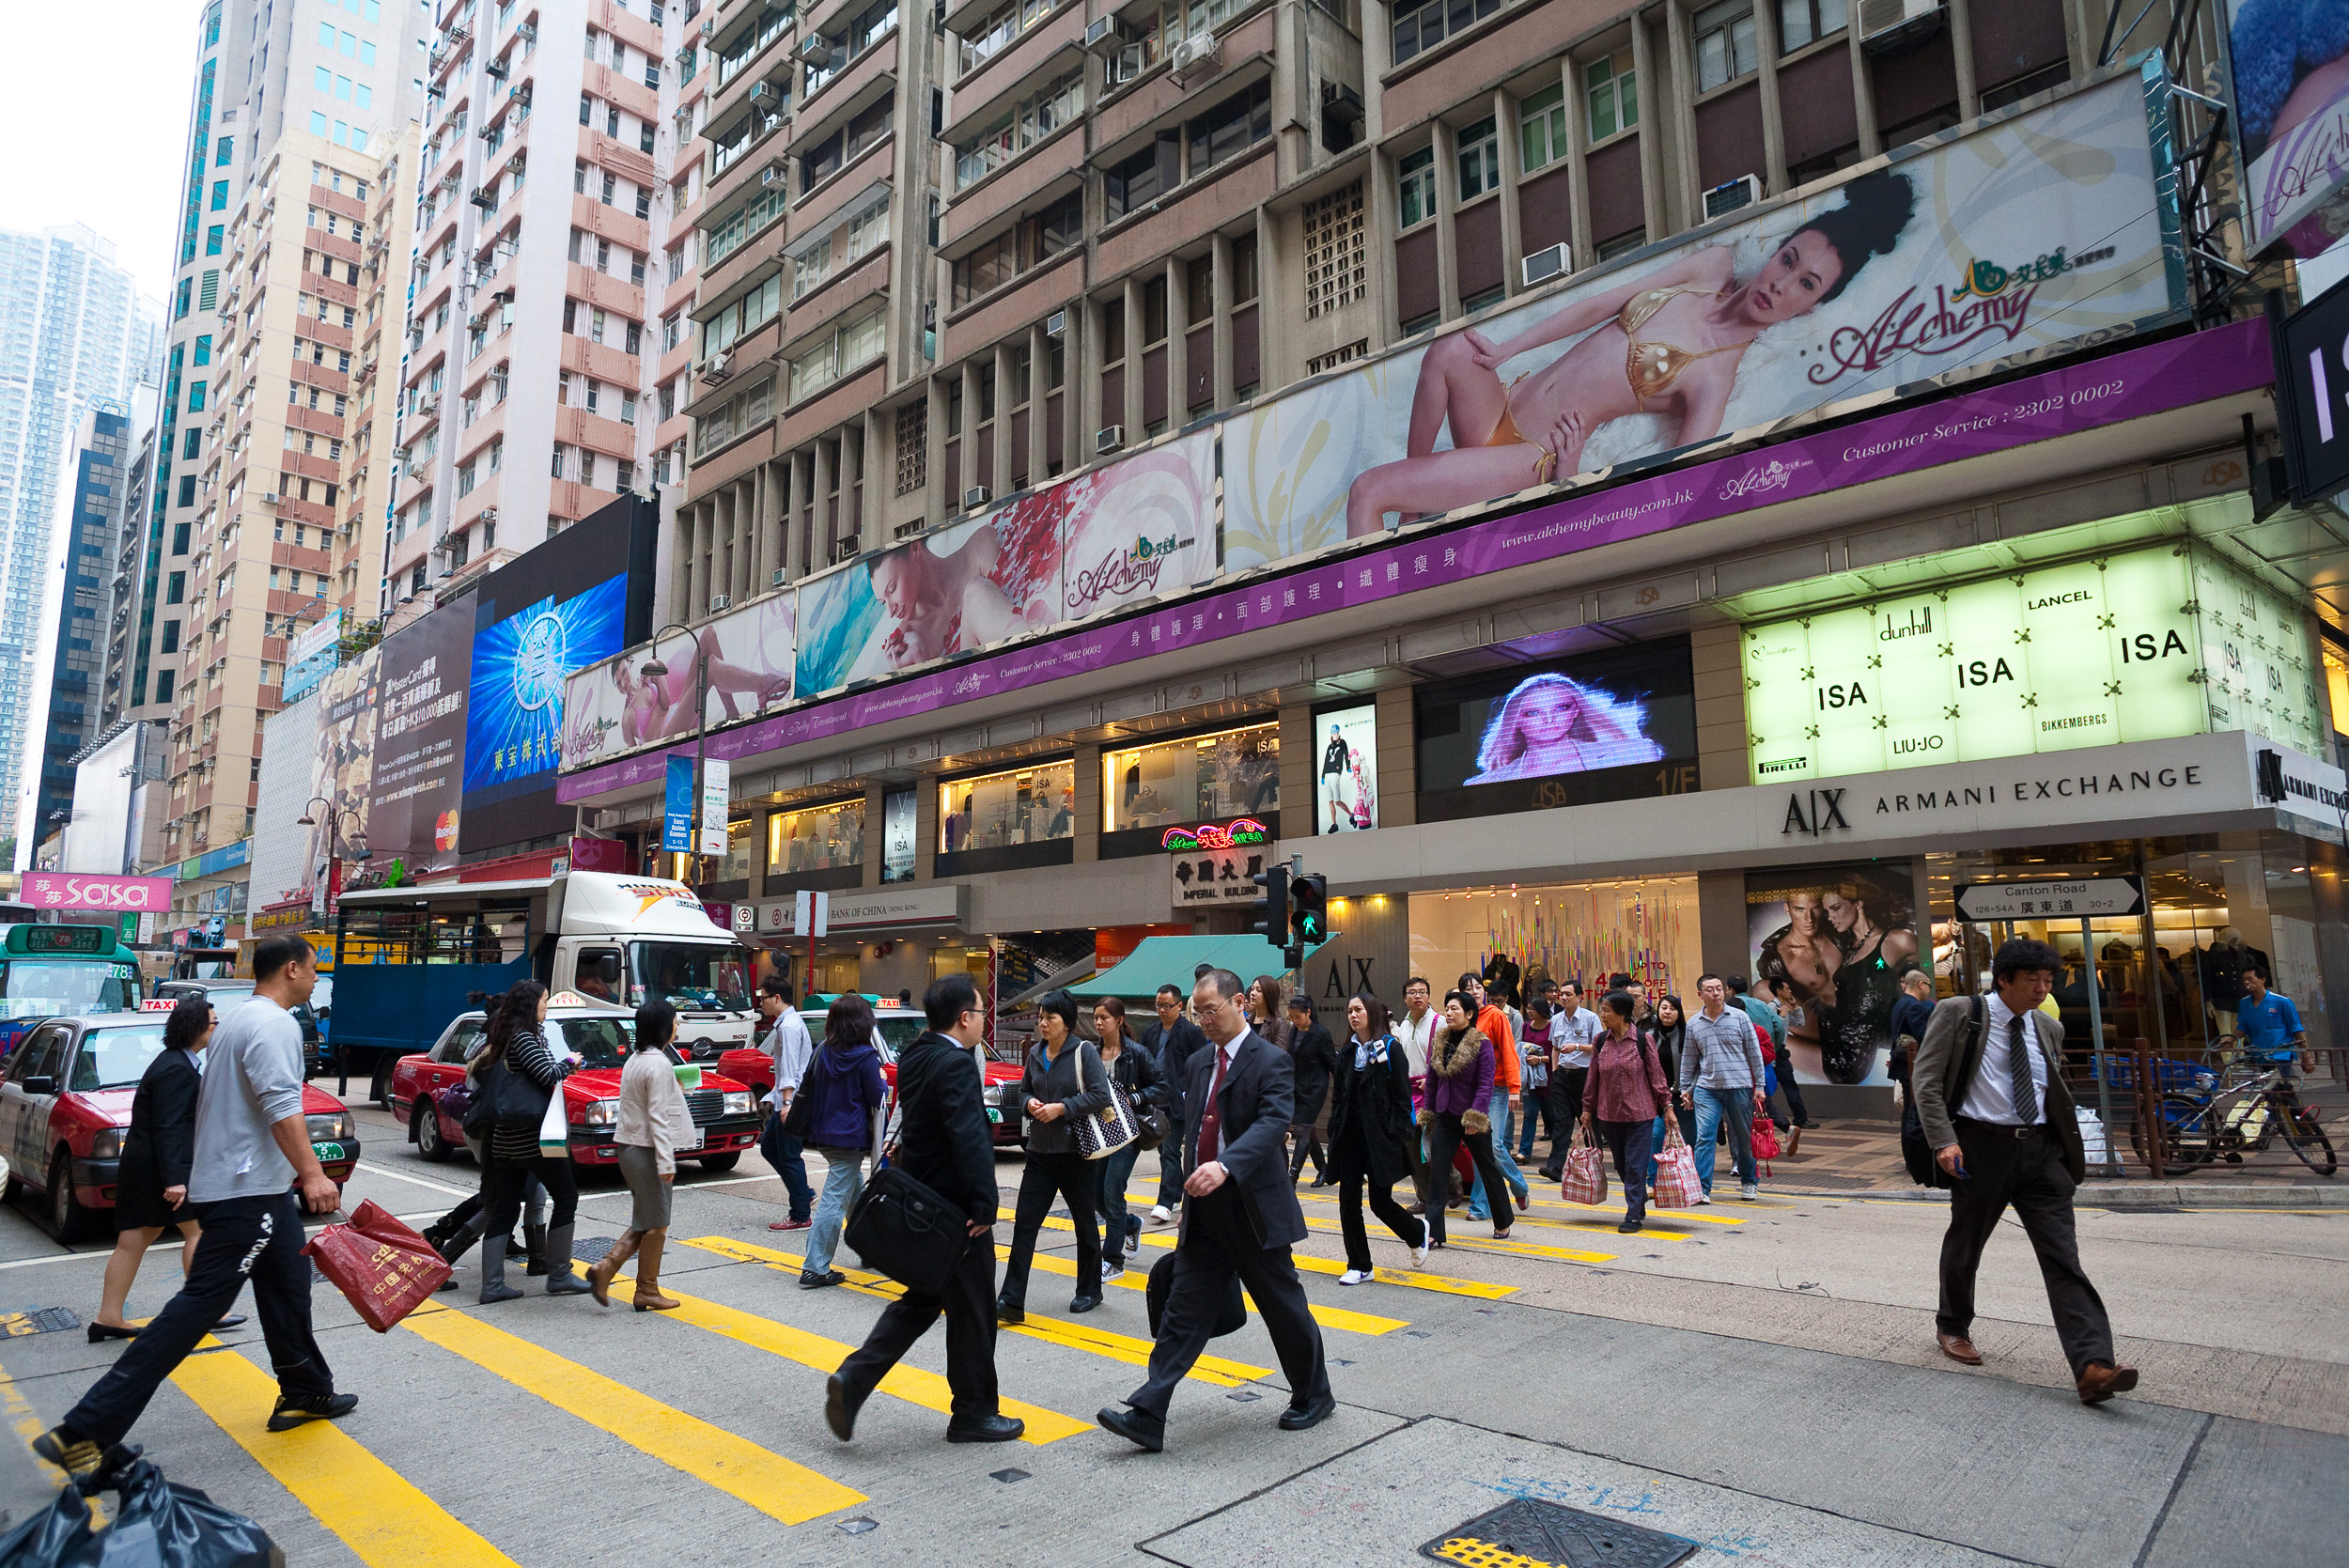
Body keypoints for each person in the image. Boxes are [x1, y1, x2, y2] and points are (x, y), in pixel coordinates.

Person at [1345, 170, 1916, 536]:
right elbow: (1600, 304)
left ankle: (1372, 624)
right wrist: (1508, 348)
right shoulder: (1710, 267)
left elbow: (1675, 496)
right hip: (1500, 411)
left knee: (1369, 487)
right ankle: (1414, 514)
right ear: (1777, 252)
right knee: (1450, 350)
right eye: (1789, 261)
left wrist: (1569, 478)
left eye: (1807, 286)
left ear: (1811, 308)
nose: (1782, 284)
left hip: (1534, 459)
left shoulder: (1715, 378)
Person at [35, 938, 351, 1482]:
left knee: (287, 1284)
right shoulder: (274, 1024)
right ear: (292, 969)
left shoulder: (234, 1021)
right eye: (313, 970)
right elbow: (280, 1104)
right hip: (246, 1190)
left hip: (256, 1187)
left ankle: (305, 1391)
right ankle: (84, 1431)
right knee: (197, 1307)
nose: (313, 981)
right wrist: (314, 1172)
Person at [1097, 970, 1332, 1452]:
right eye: (1195, 1012)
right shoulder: (1201, 1060)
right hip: (1205, 1208)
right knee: (1183, 1307)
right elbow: (1191, 1125)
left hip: (1252, 1206)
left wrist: (1225, 1166)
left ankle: (1315, 1394)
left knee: (1282, 1307)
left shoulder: (1271, 1060)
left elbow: (1272, 1123)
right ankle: (1148, 1412)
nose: (1202, 1020)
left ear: (1240, 1002)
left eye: (1211, 1010)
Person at [1914, 938, 2138, 1405]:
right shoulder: (1961, 1012)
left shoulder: (2047, 1027)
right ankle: (1952, 1325)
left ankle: (2094, 1366)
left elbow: (2048, 1087)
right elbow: (1927, 1079)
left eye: (2048, 980)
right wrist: (1944, 1139)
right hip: (1980, 1148)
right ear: (2005, 980)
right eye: (2032, 980)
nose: (2041, 989)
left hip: (2040, 1154)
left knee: (2064, 1259)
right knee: (1967, 1242)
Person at [826, 974, 1023, 1443]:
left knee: (922, 1300)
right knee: (974, 1312)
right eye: (980, 1013)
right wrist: (984, 1203)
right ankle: (974, 1411)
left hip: (923, 1203)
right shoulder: (955, 1063)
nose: (981, 1022)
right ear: (964, 1018)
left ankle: (854, 1379)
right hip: (956, 1214)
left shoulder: (916, 1054)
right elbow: (968, 1137)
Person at [88, 999, 248, 1343]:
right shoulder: (176, 1068)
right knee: (199, 1232)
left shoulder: (176, 1063)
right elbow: (169, 1126)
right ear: (196, 1028)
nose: (216, 1028)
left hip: (147, 1167)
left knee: (134, 1240)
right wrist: (175, 1179)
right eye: (213, 1022)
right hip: (160, 1171)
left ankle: (108, 1317)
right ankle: (206, 1310)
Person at [464, 982, 595, 1301]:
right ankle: (560, 1274)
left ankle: (492, 1285)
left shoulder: (510, 1034)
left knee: (506, 1208)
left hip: (508, 1139)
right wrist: (569, 1063)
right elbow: (546, 1075)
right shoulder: (524, 1037)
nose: (547, 1006)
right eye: (544, 1001)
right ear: (530, 1004)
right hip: (531, 1138)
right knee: (566, 1196)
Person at [998, 991, 1110, 1320]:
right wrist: (1029, 1104)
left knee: (1084, 1224)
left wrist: (1063, 1108)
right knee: (1025, 1224)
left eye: (1050, 1018)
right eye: (1041, 1017)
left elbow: (1101, 1095)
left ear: (1067, 1022)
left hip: (1075, 1153)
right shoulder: (1035, 1052)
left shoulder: (1084, 1052)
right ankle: (1011, 1300)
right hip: (1039, 1154)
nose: (1043, 1024)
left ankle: (1090, 1289)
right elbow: (1025, 1090)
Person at [589, 1000, 694, 1310]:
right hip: (647, 1150)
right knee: (657, 1222)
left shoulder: (637, 1059)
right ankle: (646, 1289)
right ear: (664, 1027)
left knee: (647, 1218)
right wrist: (666, 1160)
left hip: (629, 1147)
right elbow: (658, 1117)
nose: (677, 1026)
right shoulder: (658, 1064)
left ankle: (606, 1271)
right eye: (675, 1021)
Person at [1328, 993, 1427, 1282]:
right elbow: (1338, 1097)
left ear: (1372, 1012)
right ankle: (1359, 1265)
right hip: (1349, 1138)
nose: (1353, 1015)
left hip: (1379, 1139)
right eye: (1349, 1011)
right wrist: (1334, 1127)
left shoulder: (1390, 1048)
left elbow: (1402, 1096)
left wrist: (1397, 1132)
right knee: (1348, 1202)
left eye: (1358, 1009)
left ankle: (1417, 1232)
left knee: (1380, 1203)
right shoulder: (1347, 1052)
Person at [795, 994, 891, 1290]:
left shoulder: (822, 1050)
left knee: (853, 1191)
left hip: (822, 1134)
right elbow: (877, 1096)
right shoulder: (866, 1056)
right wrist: (883, 1081)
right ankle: (815, 1267)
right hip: (850, 1137)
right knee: (835, 1199)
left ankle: (869, 1247)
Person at [1421, 991, 1515, 1248]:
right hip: (1445, 1116)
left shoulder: (1481, 1043)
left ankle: (1503, 1220)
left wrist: (1476, 1116)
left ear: (1470, 1014)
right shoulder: (1440, 1041)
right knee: (1438, 1173)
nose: (1448, 1013)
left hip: (1471, 1117)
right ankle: (1434, 1231)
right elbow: (1431, 1080)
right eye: (1447, 1008)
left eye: (1454, 1009)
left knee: (1487, 1168)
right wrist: (1428, 1112)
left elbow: (1486, 1084)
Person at [1582, 990, 1674, 1233]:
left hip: (1640, 1115)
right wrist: (1587, 1108)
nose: (1602, 1015)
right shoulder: (1600, 1041)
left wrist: (1667, 1106)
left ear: (1622, 1014)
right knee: (1622, 1166)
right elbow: (1593, 1077)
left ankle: (1633, 1214)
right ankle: (1638, 1198)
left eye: (1606, 1010)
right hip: (1609, 1115)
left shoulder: (1643, 1040)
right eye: (1602, 1010)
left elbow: (1657, 1076)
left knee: (1635, 1165)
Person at [1462, 675, 1665, 783]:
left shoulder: (1634, 754)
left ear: (1576, 710)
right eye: (1533, 713)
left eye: (1561, 708)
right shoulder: (1486, 784)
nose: (1549, 720)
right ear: (1516, 721)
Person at [1093, 997, 1166, 1278]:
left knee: (1112, 1191)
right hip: (1100, 1131)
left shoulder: (1136, 1053)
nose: (1099, 1023)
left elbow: (1161, 1085)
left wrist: (1136, 1097)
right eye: (1096, 1018)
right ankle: (1130, 1223)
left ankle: (1113, 1260)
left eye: (1105, 1018)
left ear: (1119, 1020)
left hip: (1129, 1132)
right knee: (1096, 1194)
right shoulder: (1091, 1052)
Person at [1676, 976, 1766, 1203]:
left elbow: (1755, 1053)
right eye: (1710, 990)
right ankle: (1702, 1189)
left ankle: (1749, 1182)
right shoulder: (1695, 1023)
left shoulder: (1740, 1018)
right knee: (1704, 1137)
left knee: (1744, 1138)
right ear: (1700, 994)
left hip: (1739, 1085)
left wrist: (1760, 1086)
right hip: (1707, 1088)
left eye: (1718, 989)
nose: (1716, 993)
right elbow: (1689, 1059)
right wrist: (1686, 1088)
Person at [1455, 973, 1529, 1222]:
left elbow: (1509, 1050)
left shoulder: (1495, 1015)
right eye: (1468, 988)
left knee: (1494, 1145)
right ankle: (1481, 1206)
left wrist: (1514, 1087)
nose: (1474, 991)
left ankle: (1518, 1185)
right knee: (1479, 1147)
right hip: (1472, 1093)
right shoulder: (1462, 1019)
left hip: (1497, 1090)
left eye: (1478, 987)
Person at [1142, 983, 1206, 1223]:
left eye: (1167, 1006)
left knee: (1170, 1151)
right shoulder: (1150, 1032)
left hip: (1177, 1102)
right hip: (1153, 1101)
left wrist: (1188, 1093)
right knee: (1163, 1151)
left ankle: (1165, 1202)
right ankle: (1178, 1192)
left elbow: (1200, 1067)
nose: (1162, 1010)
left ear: (1179, 1005)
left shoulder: (1191, 1033)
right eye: (1158, 1005)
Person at [756, 976, 817, 1232]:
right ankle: (804, 1192)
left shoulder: (789, 1027)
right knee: (769, 1148)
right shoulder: (786, 1024)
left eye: (763, 999)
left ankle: (800, 1213)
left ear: (777, 998)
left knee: (789, 1155)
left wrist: (788, 1103)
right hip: (785, 1099)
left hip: (791, 1102)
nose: (761, 1004)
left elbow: (791, 1068)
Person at [1730, 974, 1812, 1130]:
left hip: (1769, 1053)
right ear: (1779, 990)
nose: (1790, 991)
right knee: (1768, 1091)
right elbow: (1778, 1028)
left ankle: (1795, 1121)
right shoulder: (1766, 1006)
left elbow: (1799, 1023)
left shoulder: (1773, 1007)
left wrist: (1794, 1008)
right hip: (1771, 1053)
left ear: (1730, 990)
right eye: (1787, 988)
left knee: (1773, 1090)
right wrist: (1775, 1047)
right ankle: (1782, 1124)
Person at [1539, 980, 1601, 1180]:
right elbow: (1555, 1048)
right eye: (1561, 994)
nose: (1563, 998)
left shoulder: (1590, 1018)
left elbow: (1599, 1047)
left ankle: (1594, 1165)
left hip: (1585, 1077)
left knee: (1589, 1122)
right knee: (1561, 1122)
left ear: (1579, 997)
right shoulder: (1556, 1019)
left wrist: (1577, 1047)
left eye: (1568, 994)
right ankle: (1555, 1167)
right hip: (1562, 1077)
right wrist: (1555, 1071)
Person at [1283, 995, 1338, 1185]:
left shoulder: (1320, 1033)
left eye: (1298, 1016)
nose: (1295, 1021)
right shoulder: (1293, 1031)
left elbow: (1333, 1062)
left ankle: (1292, 1177)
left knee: (1303, 1130)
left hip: (1315, 1088)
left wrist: (1343, 1089)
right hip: (1296, 1087)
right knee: (1308, 1129)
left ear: (1308, 1012)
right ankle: (1323, 1169)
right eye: (1291, 1017)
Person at [2237, 965, 2310, 1098]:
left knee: (2278, 1092)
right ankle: (2297, 1117)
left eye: (2250, 979)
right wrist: (2230, 1039)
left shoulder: (2282, 1002)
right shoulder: (2244, 1003)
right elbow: (2243, 1026)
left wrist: (2306, 1058)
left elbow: (2297, 1030)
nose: (2247, 982)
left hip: (2280, 1056)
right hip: (2260, 1055)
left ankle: (2296, 1117)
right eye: (2244, 980)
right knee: (2277, 1092)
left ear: (2262, 979)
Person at [1515, 988, 1553, 1164]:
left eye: (1532, 1009)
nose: (1528, 1012)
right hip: (1531, 1080)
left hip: (1549, 1078)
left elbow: (1556, 1054)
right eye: (1527, 1008)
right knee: (1530, 1114)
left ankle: (1558, 1152)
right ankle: (1524, 1152)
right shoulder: (1525, 1027)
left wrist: (1539, 1059)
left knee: (1554, 1116)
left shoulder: (1552, 1026)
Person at [1887, 969, 1937, 1096]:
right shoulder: (1915, 1006)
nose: (1929, 990)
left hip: (1902, 1064)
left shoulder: (1900, 1003)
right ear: (1921, 985)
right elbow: (1924, 1037)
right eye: (1928, 986)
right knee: (1913, 1109)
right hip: (1910, 1065)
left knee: (1909, 1106)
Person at [1250, 975, 1296, 1050]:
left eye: (1258, 990)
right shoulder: (1247, 1020)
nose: (1253, 993)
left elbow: (1280, 1054)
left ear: (1269, 995)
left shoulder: (1278, 1023)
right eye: (1252, 989)